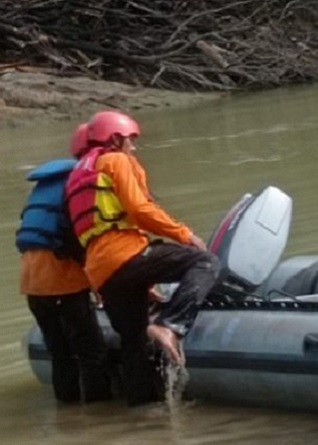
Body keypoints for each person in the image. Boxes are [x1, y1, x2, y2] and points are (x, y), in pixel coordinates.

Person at [65, 110, 219, 407]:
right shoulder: (115, 160)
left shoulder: (77, 177)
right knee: (205, 262)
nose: (133, 148)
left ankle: (143, 417)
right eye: (129, 141)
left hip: (103, 273)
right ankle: (171, 325)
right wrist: (184, 234)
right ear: (114, 139)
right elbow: (139, 210)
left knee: (134, 344)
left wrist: (140, 280)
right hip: (126, 255)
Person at [17, 123, 112, 404]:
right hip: (62, 280)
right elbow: (77, 238)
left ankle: (68, 413)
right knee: (91, 350)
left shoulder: (47, 183)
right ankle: (100, 417)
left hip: (32, 282)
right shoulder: (81, 182)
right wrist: (100, 283)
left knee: (60, 352)